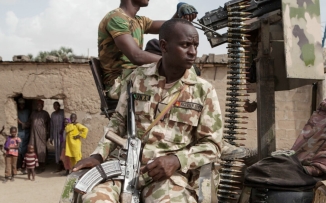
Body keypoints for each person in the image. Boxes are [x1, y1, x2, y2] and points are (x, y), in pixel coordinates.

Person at [74, 18, 223, 202]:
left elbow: (213, 145)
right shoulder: (137, 78)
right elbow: (118, 121)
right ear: (164, 46)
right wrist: (98, 154)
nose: (193, 52)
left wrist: (177, 160)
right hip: (122, 166)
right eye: (185, 45)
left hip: (165, 177)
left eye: (195, 45)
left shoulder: (204, 90)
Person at [99, 0, 198, 99]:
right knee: (183, 88)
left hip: (135, 77)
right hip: (120, 84)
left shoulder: (139, 21)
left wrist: (179, 12)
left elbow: (169, 28)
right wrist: (176, 63)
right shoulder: (116, 18)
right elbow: (136, 56)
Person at [29, 100, 50, 173]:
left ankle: (42, 166)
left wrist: (48, 133)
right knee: (32, 147)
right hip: (33, 134)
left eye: (40, 105)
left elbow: (49, 124)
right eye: (37, 105)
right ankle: (33, 165)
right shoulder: (33, 113)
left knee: (41, 148)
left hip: (42, 134)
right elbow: (29, 121)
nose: (38, 106)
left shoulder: (45, 113)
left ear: (42, 106)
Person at [49, 101, 64, 171]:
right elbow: (51, 126)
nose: (55, 107)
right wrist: (51, 137)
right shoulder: (53, 115)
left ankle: (64, 164)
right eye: (54, 106)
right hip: (55, 133)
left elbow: (66, 121)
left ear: (59, 106)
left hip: (62, 134)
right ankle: (59, 164)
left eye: (56, 105)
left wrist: (63, 129)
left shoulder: (63, 113)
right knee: (57, 149)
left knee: (63, 148)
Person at [16, 98, 31, 172]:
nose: (21, 105)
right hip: (19, 132)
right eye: (20, 104)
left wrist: (23, 124)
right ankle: (19, 165)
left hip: (26, 132)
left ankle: (24, 165)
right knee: (19, 148)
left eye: (23, 104)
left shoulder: (27, 111)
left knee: (25, 149)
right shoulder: (16, 112)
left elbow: (30, 120)